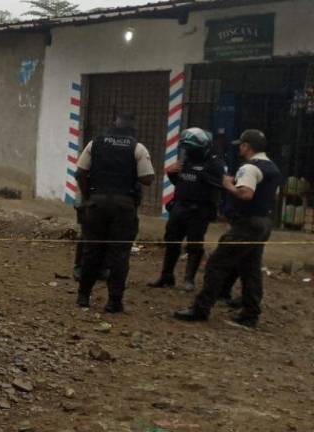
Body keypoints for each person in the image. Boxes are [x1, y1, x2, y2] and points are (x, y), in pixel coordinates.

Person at [174, 130, 281, 328]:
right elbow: (270, 195)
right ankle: (250, 313)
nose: (239, 148)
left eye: (241, 145)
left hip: (247, 224)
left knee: (217, 264)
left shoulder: (249, 167)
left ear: (247, 146)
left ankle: (200, 309)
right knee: (251, 268)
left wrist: (228, 184)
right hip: (264, 221)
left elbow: (246, 194)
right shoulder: (271, 167)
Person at [75, 113, 156, 313]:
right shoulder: (137, 148)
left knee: (92, 250)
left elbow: (80, 172)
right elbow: (147, 178)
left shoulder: (95, 143)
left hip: (96, 203)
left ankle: (83, 296)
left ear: (112, 127)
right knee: (119, 254)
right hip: (123, 206)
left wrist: (87, 198)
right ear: (131, 130)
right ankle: (114, 302)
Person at [149, 128, 227, 291]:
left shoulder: (215, 163)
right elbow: (182, 182)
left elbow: (219, 186)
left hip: (200, 210)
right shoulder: (187, 159)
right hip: (180, 206)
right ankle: (166, 276)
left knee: (194, 244)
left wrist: (202, 175)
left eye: (192, 148)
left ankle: (189, 279)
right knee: (171, 241)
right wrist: (171, 173)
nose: (188, 151)